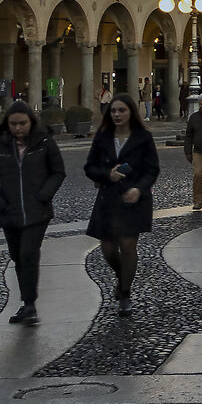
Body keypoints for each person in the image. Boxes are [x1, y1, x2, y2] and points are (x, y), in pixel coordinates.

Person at [0, 100, 68, 326]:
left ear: (31, 122)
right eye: (13, 124)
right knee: (17, 256)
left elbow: (58, 172)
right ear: (7, 124)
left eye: (22, 123)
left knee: (28, 253)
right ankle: (27, 303)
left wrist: (43, 195)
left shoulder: (45, 142)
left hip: (37, 211)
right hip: (9, 211)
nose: (18, 128)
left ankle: (29, 304)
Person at [84, 96, 158, 316]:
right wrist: (107, 174)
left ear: (131, 112)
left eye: (121, 110)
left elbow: (152, 169)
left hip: (134, 198)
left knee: (127, 245)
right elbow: (89, 167)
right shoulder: (103, 136)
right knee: (108, 249)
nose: (117, 114)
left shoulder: (143, 137)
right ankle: (122, 276)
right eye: (113, 110)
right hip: (108, 199)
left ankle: (125, 293)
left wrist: (139, 188)